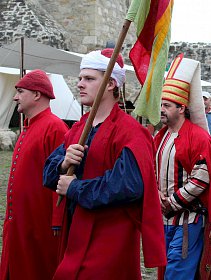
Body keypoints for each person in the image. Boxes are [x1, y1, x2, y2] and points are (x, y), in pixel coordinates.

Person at [42, 49, 166, 279]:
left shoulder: (131, 132)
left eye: (89, 79)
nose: (80, 84)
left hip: (110, 239)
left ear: (110, 84)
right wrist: (63, 163)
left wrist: (75, 188)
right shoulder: (78, 129)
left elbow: (128, 186)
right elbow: (48, 174)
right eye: (80, 78)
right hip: (75, 235)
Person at [0, 70, 68, 280]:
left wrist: (56, 221)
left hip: (40, 226)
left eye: (20, 91)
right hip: (21, 223)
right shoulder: (28, 128)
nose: (15, 97)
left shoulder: (55, 127)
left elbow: (61, 176)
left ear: (37, 94)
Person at [154, 54, 211, 279]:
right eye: (161, 104)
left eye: (167, 105)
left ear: (181, 108)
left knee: (177, 274)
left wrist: (171, 203)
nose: (162, 109)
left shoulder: (198, 137)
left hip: (187, 220)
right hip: (164, 219)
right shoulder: (160, 136)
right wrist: (157, 195)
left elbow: (200, 180)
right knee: (166, 271)